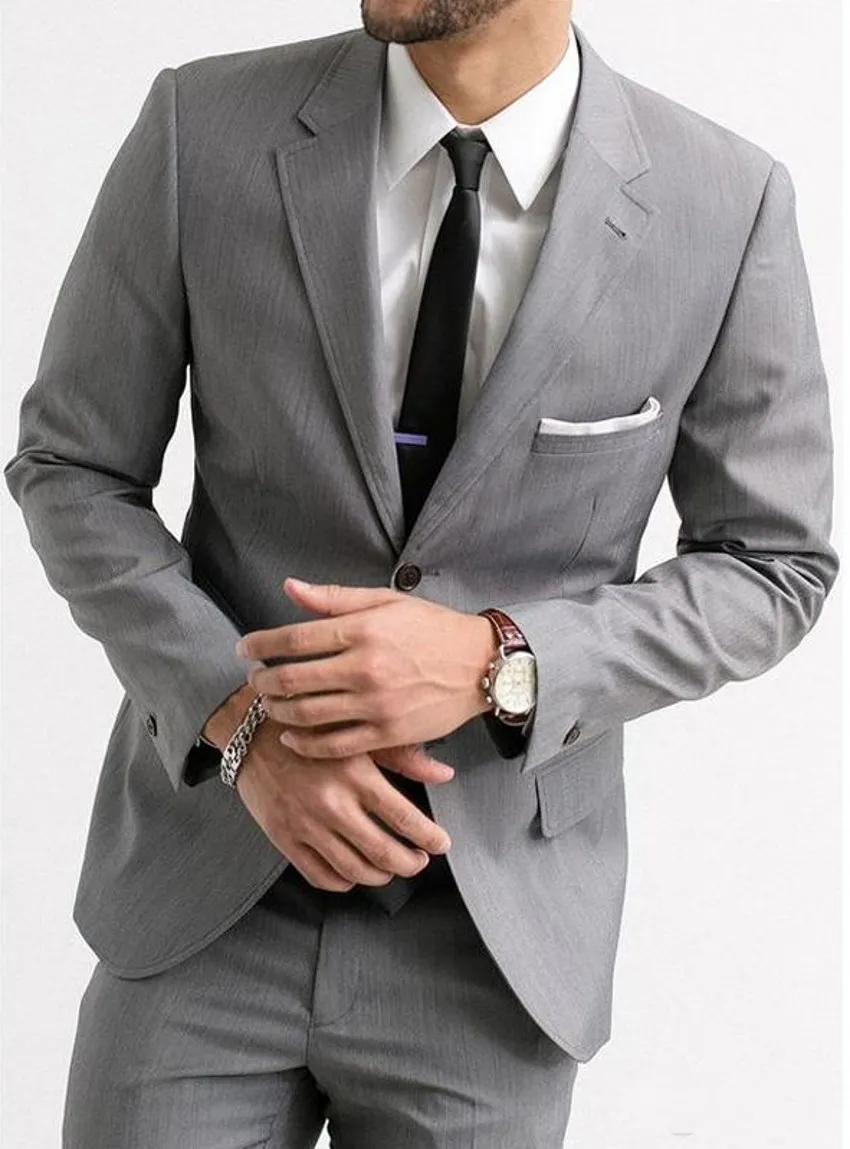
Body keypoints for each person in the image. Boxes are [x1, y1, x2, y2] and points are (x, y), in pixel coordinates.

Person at [3, 0, 838, 1144]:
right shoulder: (203, 127)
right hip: (208, 894)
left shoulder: (723, 205)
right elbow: (72, 467)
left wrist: (504, 662)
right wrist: (240, 721)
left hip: (492, 945)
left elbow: (772, 562)